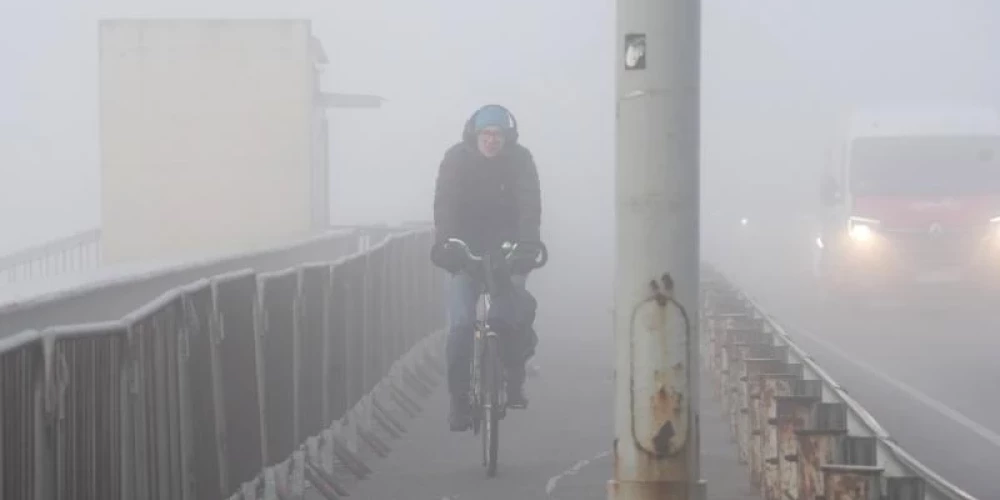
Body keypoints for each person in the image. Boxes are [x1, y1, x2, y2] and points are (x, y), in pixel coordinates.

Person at [430, 104, 543, 431]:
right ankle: (460, 400)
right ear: (475, 135)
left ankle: (513, 376)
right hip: (465, 251)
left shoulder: (521, 160)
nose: (492, 141)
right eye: (486, 134)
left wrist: (528, 245)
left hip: (507, 252)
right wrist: (447, 243)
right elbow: (445, 202)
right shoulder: (456, 160)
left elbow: (529, 206)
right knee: (461, 324)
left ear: (508, 137)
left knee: (511, 314)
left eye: (498, 135)